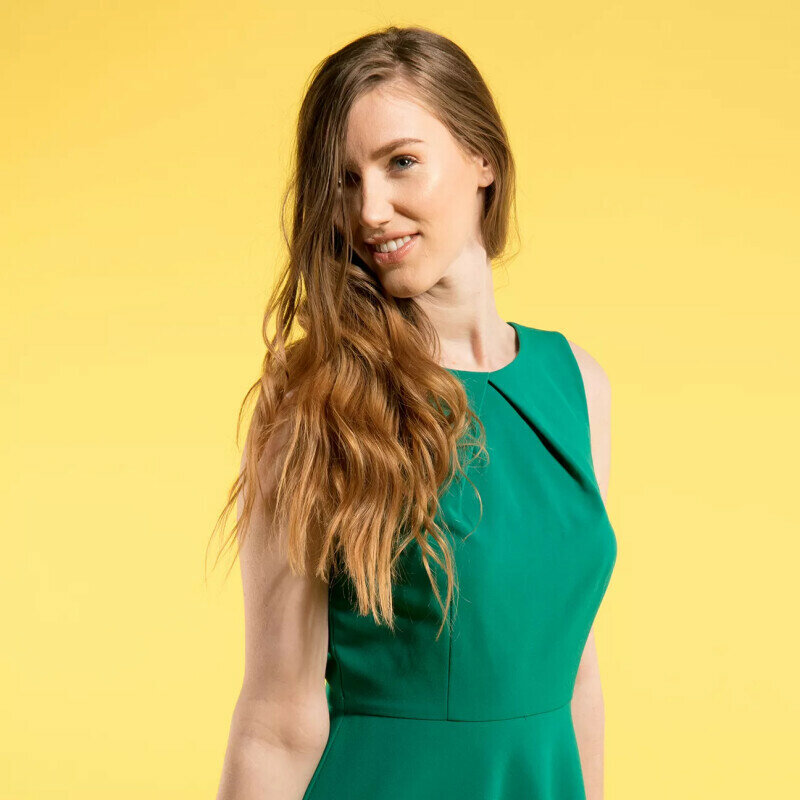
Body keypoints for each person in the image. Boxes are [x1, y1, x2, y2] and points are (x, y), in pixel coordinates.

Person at [212, 24, 617, 800]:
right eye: (345, 179)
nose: (370, 210)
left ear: (482, 158)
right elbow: (277, 721)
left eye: (400, 162)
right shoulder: (314, 399)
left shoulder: (578, 386)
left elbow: (576, 673)